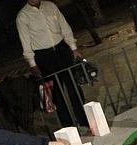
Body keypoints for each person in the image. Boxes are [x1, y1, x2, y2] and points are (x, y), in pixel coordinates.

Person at [16, 0, 89, 128]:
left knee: (74, 86)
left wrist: (73, 47)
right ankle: (68, 126)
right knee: (56, 92)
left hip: (61, 50)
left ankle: (84, 119)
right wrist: (32, 63)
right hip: (44, 56)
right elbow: (25, 41)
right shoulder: (23, 16)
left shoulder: (50, 6)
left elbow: (64, 26)